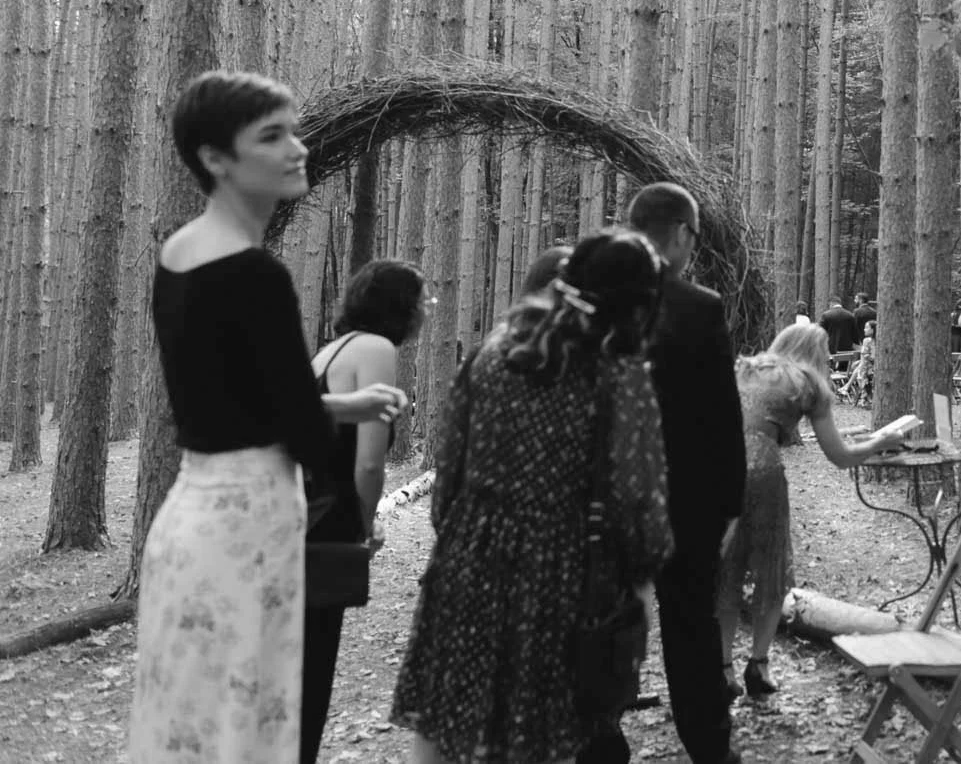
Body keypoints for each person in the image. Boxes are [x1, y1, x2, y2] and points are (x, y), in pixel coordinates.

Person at [129, 70, 406, 764]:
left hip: (192, 512)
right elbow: (302, 431)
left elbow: (233, 402)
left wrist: (344, 402)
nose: (298, 148)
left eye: (294, 130)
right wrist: (355, 486)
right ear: (217, 158)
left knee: (191, 717)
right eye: (272, 136)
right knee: (247, 725)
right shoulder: (258, 274)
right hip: (251, 524)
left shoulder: (178, 252)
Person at [391, 228, 673, 764]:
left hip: (468, 559)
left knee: (449, 718)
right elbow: (638, 498)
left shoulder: (494, 352)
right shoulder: (616, 373)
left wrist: (465, 541)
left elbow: (449, 473)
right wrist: (639, 579)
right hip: (559, 571)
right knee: (537, 736)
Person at [718, 323, 903, 699]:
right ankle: (759, 665)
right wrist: (881, 441)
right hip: (763, 472)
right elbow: (839, 457)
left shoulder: (745, 367)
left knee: (727, 569)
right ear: (815, 354)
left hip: (721, 467)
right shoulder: (809, 384)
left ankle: (722, 669)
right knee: (770, 569)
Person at [627, 183, 746, 764]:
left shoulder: (589, 297)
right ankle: (708, 745)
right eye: (694, 238)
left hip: (605, 494)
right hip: (685, 498)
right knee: (690, 624)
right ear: (680, 233)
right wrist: (730, 504)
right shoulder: (699, 306)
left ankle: (596, 737)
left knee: (599, 612)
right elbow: (722, 416)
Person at [302, 258, 429, 764]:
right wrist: (364, 522)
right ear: (399, 305)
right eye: (422, 300)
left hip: (298, 518)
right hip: (328, 528)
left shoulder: (328, 352)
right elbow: (370, 461)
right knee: (311, 671)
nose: (425, 311)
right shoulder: (374, 348)